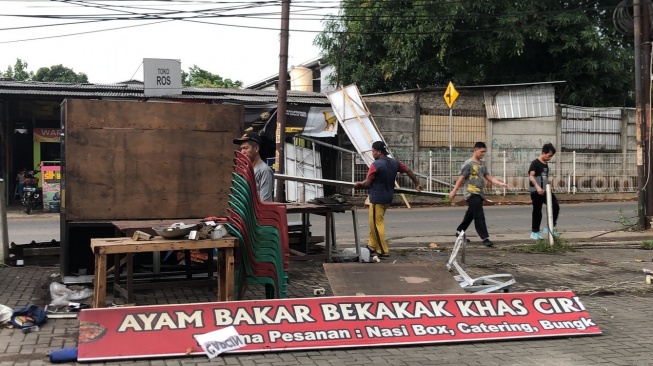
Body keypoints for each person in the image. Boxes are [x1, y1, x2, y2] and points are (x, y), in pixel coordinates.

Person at [354, 141, 422, 258]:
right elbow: (409, 171)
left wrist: (359, 184)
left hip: (377, 198)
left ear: (379, 152)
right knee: (375, 222)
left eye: (373, 151)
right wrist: (416, 184)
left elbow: (367, 183)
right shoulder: (395, 163)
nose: (372, 154)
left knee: (376, 224)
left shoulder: (375, 165)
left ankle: (382, 250)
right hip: (388, 197)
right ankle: (371, 244)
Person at [448, 142, 508, 247]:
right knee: (479, 214)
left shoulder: (482, 164)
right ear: (475, 150)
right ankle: (485, 238)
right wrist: (454, 191)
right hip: (471, 193)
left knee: (471, 214)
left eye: (484, 152)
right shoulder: (469, 164)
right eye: (481, 151)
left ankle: (459, 231)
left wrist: (499, 183)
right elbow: (461, 178)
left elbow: (488, 176)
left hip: (479, 193)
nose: (483, 154)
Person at [529, 143, 560, 240]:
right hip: (536, 189)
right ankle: (535, 232)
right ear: (543, 152)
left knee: (555, 206)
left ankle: (549, 227)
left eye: (551, 156)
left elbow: (544, 177)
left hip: (545, 189)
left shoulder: (546, 164)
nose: (550, 158)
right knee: (537, 211)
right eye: (549, 155)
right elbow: (531, 176)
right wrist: (538, 187)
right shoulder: (535, 163)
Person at [233, 132, 274, 202]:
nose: (242, 152)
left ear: (256, 149)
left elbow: (265, 201)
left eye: (245, 148)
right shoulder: (245, 170)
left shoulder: (264, 170)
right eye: (241, 149)